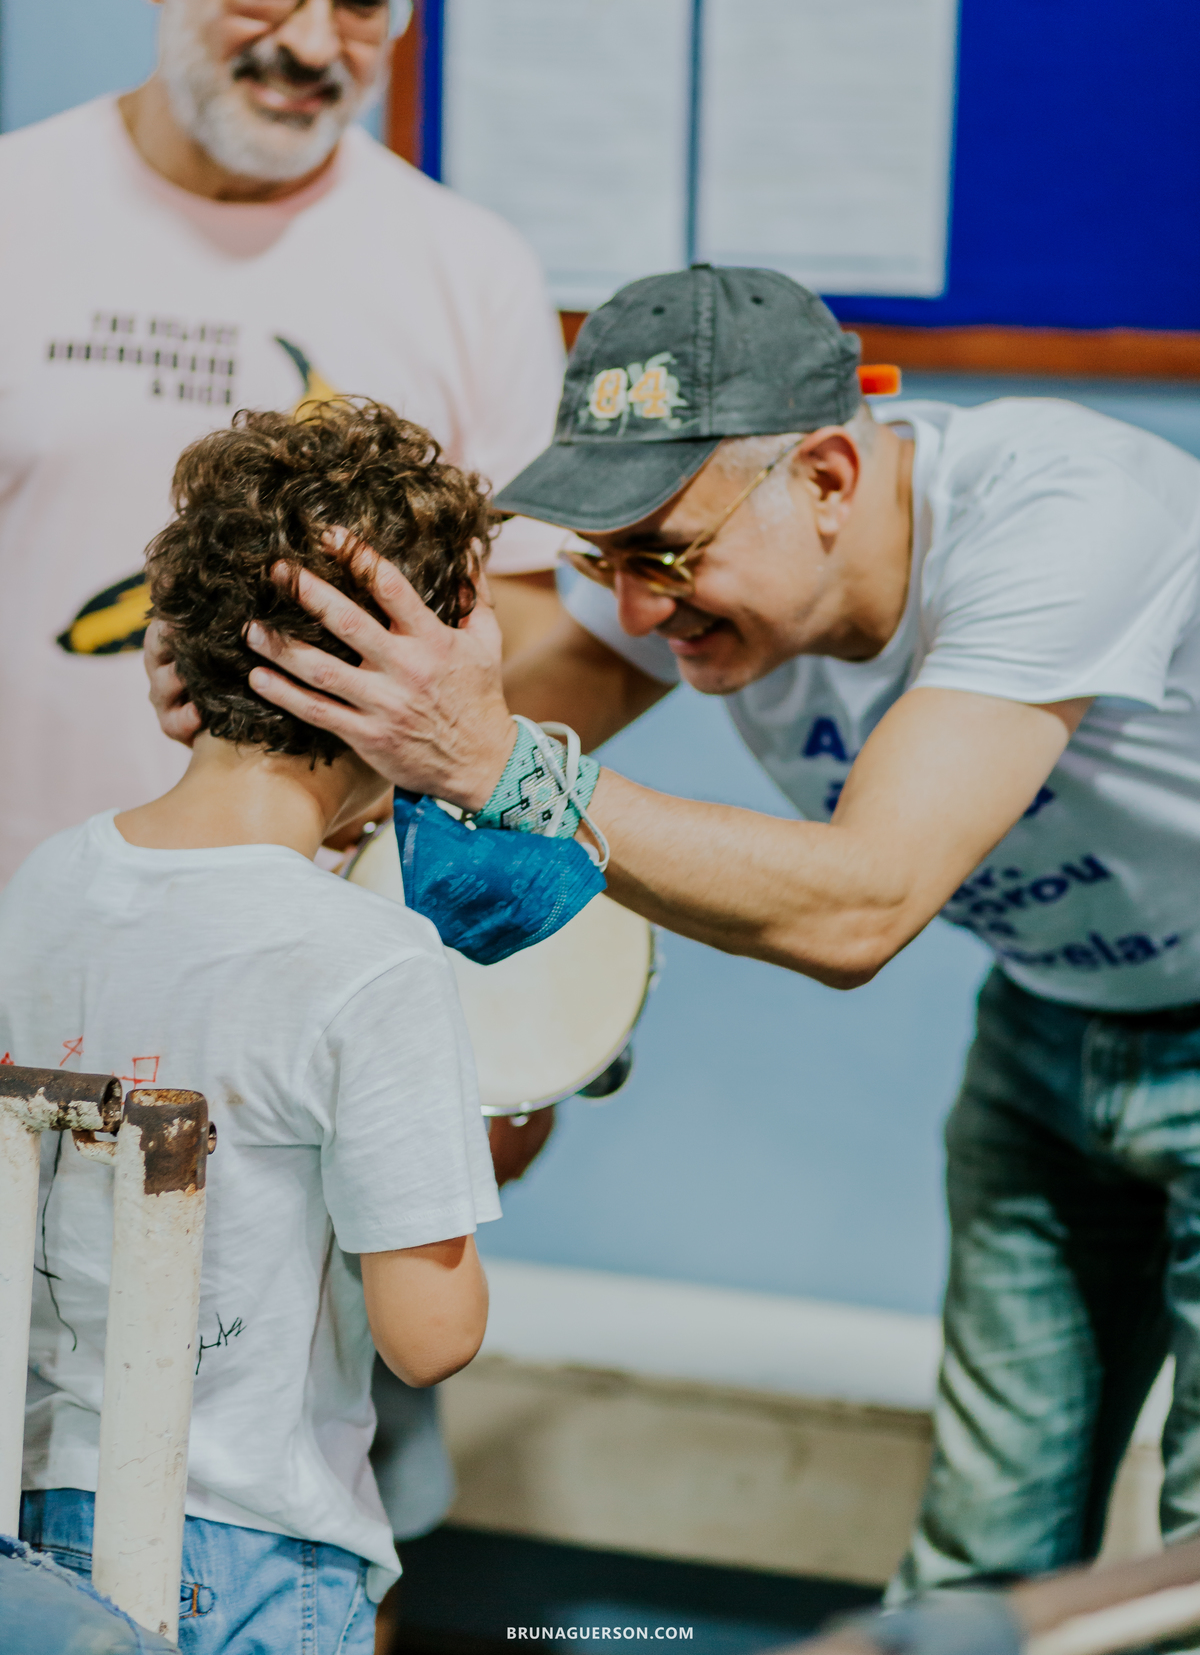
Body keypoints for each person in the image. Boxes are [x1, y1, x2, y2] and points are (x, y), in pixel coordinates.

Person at [155, 262, 1200, 1593]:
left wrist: (508, 769)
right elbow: (426, 757)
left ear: (827, 476)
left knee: (1189, 1573)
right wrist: (263, 700)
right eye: (604, 557)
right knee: (976, 1562)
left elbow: (863, 903)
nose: (639, 610)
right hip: (1051, 1024)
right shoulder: (702, 565)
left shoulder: (1064, 515)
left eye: (666, 554)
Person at [3, 400, 500, 1653]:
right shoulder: (373, 961)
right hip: (249, 1549)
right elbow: (431, 1338)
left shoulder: (48, 879)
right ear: (403, 670)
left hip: (32, 1516)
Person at [0, 0, 565, 890]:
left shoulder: (472, 269)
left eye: (360, 0)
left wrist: (356, 743)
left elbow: (532, 605)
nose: (311, 43)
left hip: (315, 935)